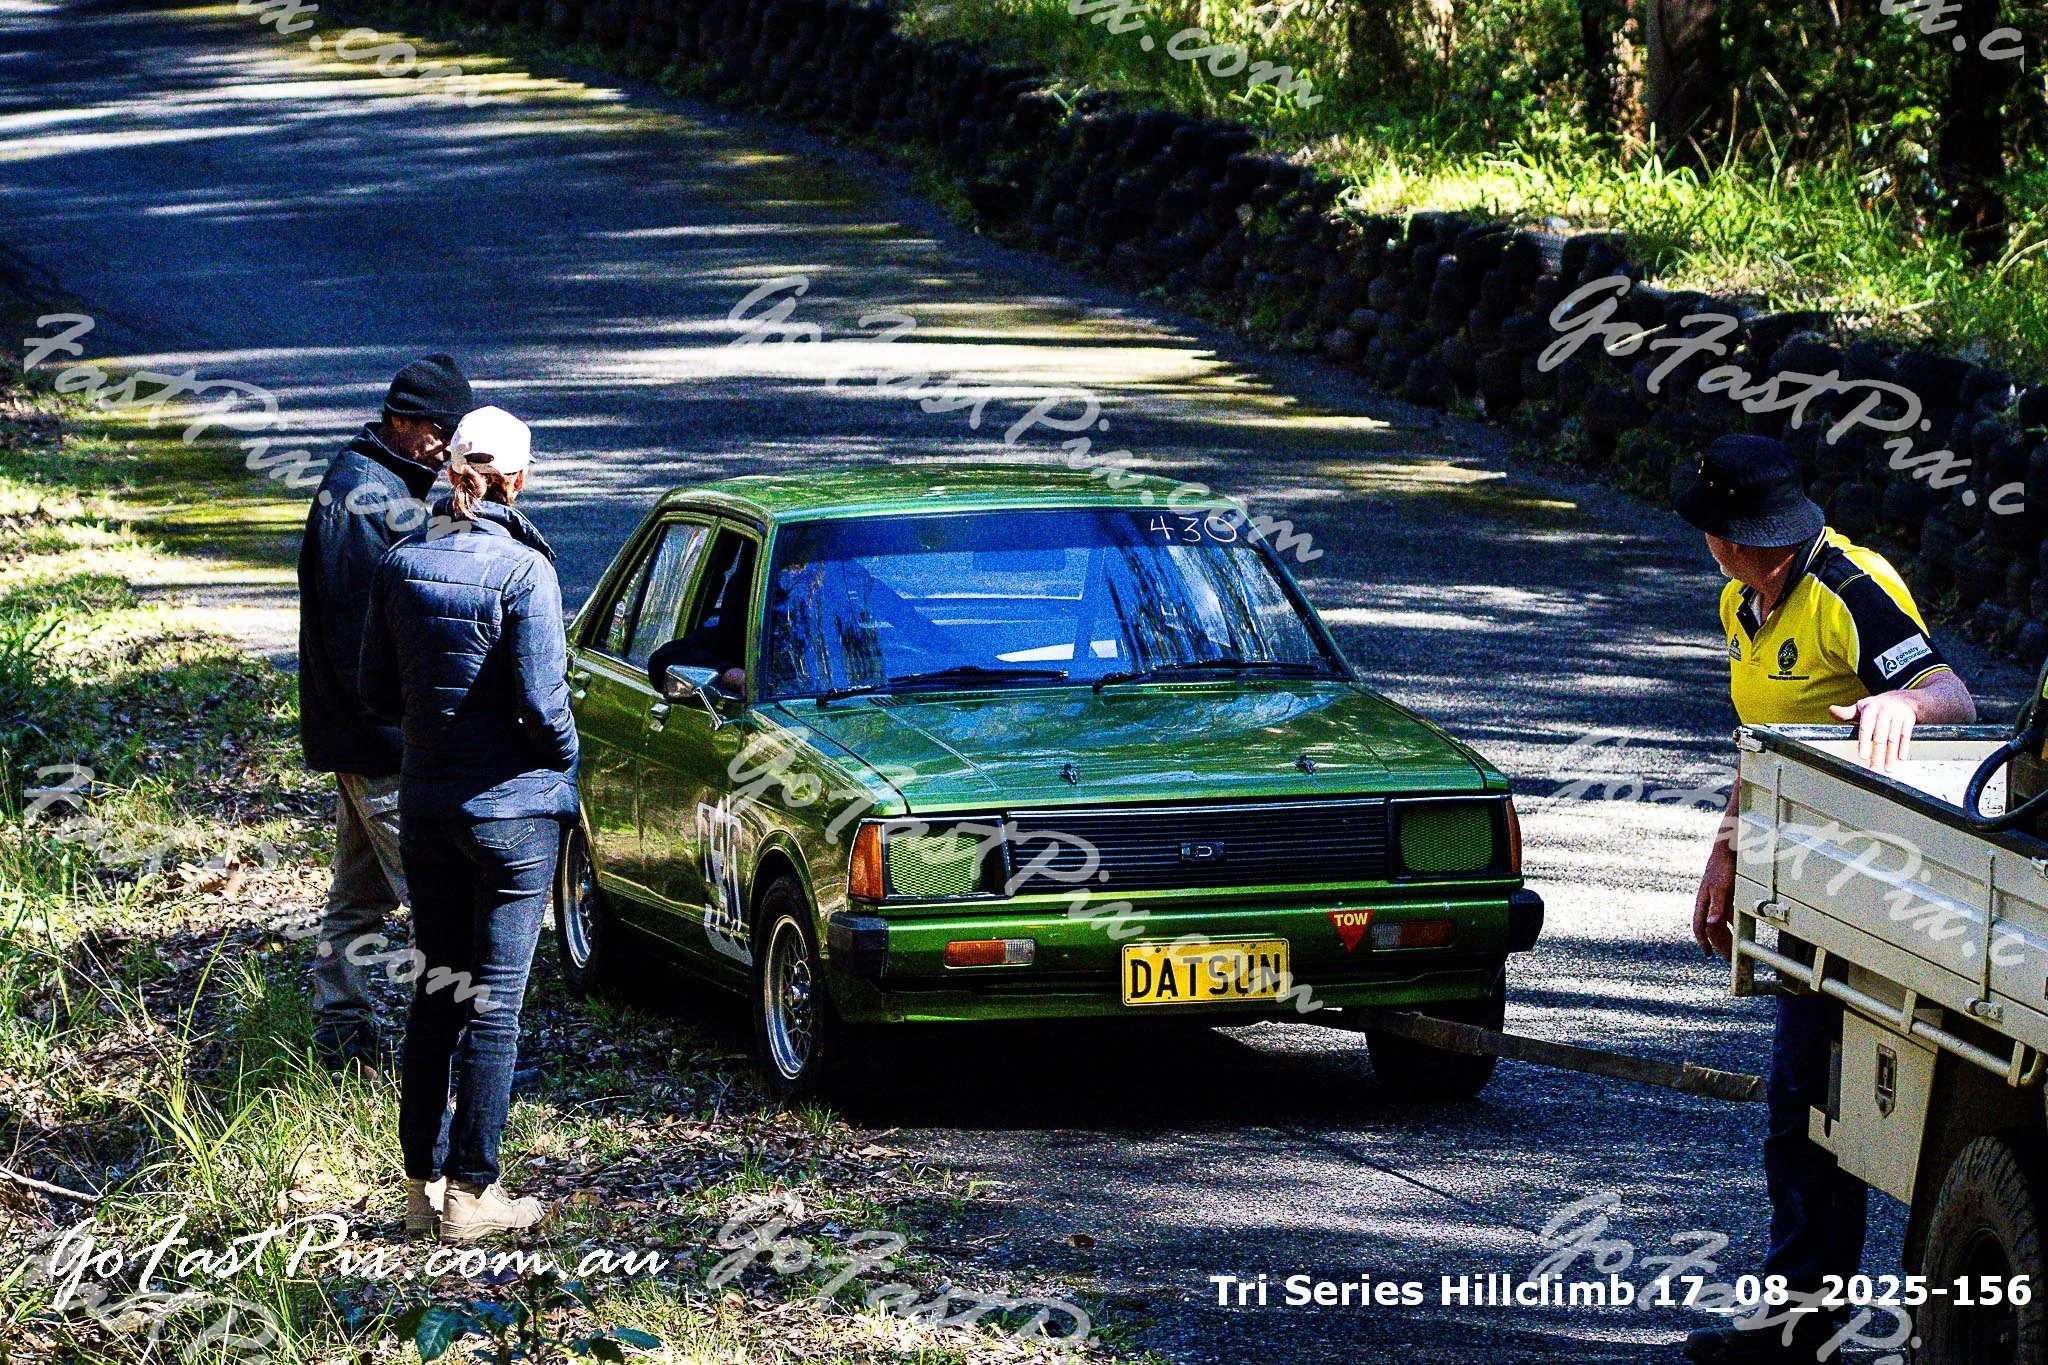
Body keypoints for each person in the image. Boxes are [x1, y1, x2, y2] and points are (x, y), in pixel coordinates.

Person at [1676, 436, 1976, 1363]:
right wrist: (1725, 854)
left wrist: (1904, 706)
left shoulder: (1850, 587)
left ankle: (1802, 1329)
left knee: (1814, 1104)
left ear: (1732, 537)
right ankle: (1802, 1327)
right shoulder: (1742, 602)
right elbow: (1755, 743)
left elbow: (1952, 692)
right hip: (1802, 884)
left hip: (1883, 891)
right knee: (1803, 1110)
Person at [359, 406, 578, 1242]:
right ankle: (474, 1191)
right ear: (518, 479)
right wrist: (563, 760)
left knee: (438, 987)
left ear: (450, 468)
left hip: (428, 807)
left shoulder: (400, 561)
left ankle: (419, 1185)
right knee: (496, 1002)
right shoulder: (527, 572)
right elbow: (542, 701)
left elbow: (376, 689)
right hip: (514, 812)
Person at [298, 355, 473, 1069]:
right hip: (380, 747)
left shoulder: (379, 484)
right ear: (400, 421)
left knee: (357, 894)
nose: (447, 445)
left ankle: (338, 1032)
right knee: (442, 901)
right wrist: (406, 740)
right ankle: (458, 1051)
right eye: (439, 430)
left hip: (361, 741)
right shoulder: (360, 499)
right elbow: (356, 643)